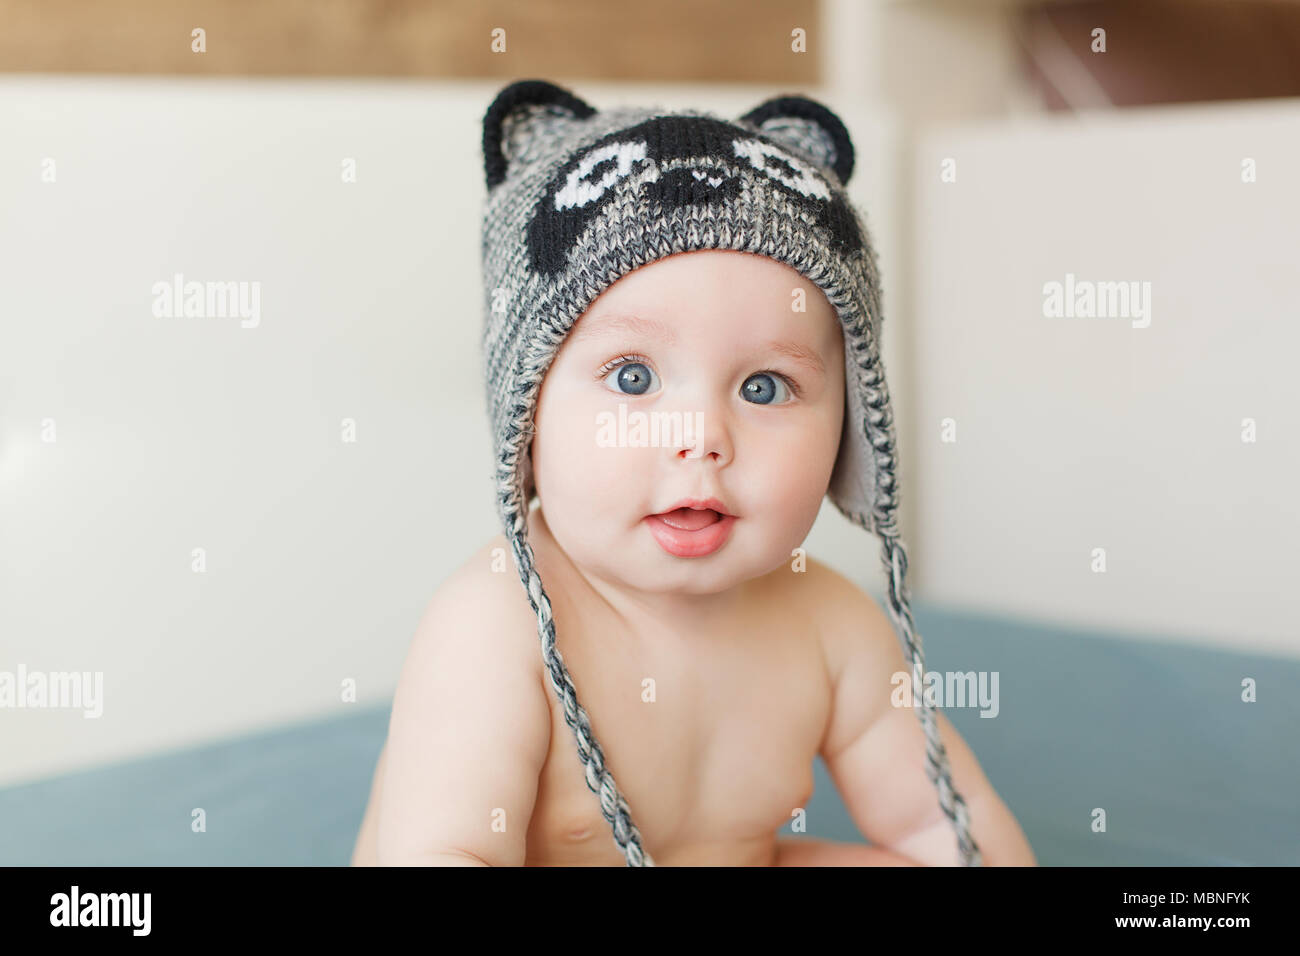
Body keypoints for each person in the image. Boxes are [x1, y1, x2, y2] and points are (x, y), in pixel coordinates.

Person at [351, 80, 1036, 867]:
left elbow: (934, 821)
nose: (702, 439)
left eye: (764, 387)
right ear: (527, 416)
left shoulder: (832, 626)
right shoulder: (495, 625)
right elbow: (447, 851)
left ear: (846, 430)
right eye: (634, 378)